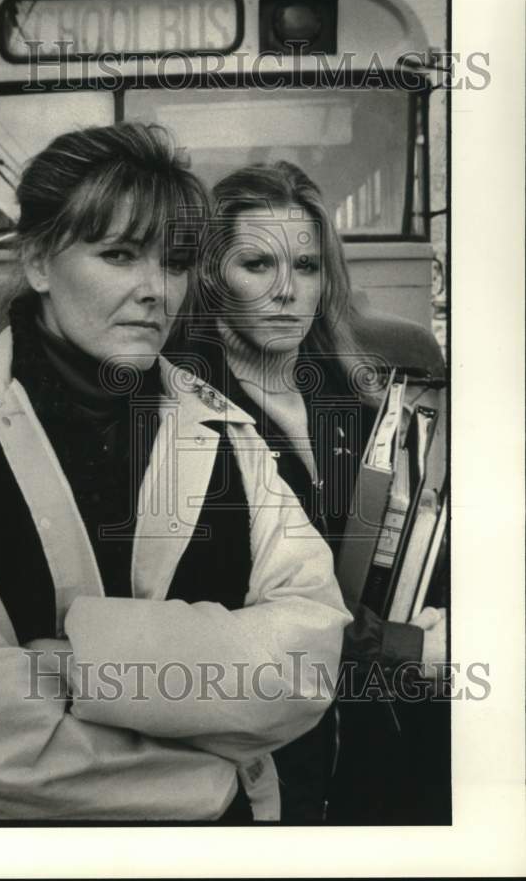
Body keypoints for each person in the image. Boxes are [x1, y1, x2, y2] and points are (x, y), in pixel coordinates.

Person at [0, 124, 350, 822]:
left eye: (176, 261)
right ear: (38, 261)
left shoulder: (227, 433)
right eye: (119, 254)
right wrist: (207, 784)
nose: (156, 290)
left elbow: (307, 662)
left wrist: (75, 665)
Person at [179, 159, 448, 824]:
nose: (284, 292)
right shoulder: (187, 408)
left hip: (366, 725)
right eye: (256, 265)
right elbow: (232, 597)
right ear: (212, 276)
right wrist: (404, 648)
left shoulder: (349, 395)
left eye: (304, 267)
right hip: (263, 740)